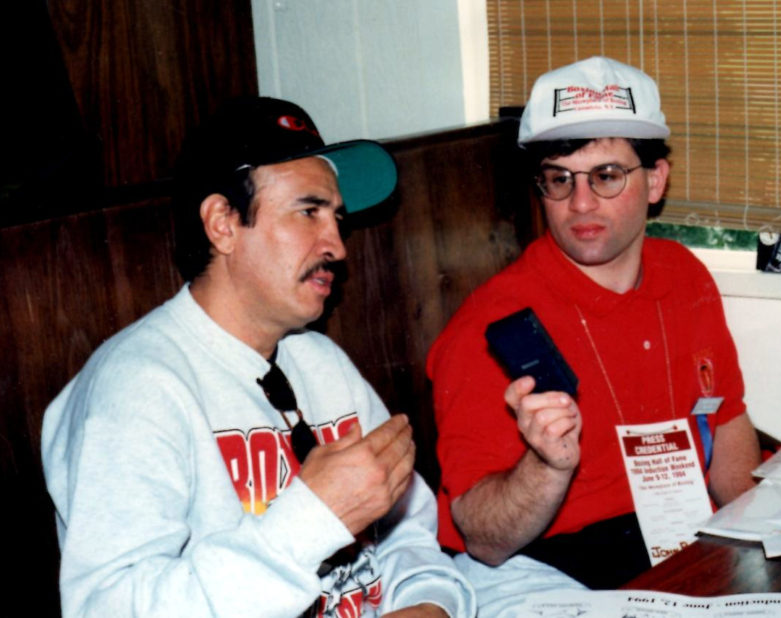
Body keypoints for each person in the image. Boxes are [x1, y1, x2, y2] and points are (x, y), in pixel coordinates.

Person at [42, 97, 474, 618]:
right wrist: (313, 518)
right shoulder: (134, 390)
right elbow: (107, 610)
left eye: (336, 217)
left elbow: (412, 542)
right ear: (222, 222)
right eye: (308, 212)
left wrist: (429, 604)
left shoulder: (320, 362)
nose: (337, 244)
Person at [427, 57, 760, 612]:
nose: (580, 204)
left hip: (674, 538)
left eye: (606, 176)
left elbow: (725, 417)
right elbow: (485, 540)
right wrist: (546, 464)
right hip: (541, 563)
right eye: (560, 179)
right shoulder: (490, 327)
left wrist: (769, 541)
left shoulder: (684, 275)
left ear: (655, 180)